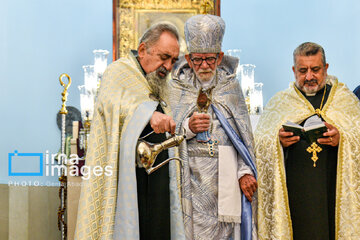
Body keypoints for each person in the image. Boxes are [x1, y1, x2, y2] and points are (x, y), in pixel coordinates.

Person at [74, 23, 185, 240]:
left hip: (160, 179)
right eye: (164, 57)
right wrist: (147, 114)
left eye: (173, 60)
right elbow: (113, 103)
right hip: (129, 181)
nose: (168, 66)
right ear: (143, 50)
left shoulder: (163, 85)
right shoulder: (118, 72)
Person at [254, 42, 360, 240]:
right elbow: (259, 142)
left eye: (315, 69)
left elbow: (358, 135)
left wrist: (342, 139)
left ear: (326, 68)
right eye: (303, 71)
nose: (309, 76)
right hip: (295, 197)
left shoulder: (345, 100)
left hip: (332, 194)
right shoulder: (280, 102)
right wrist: (277, 142)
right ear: (294, 71)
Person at [169, 15, 258, 240]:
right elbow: (167, 133)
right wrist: (188, 127)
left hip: (224, 176)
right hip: (188, 176)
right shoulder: (176, 87)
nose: (204, 65)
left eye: (210, 59)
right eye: (198, 59)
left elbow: (242, 137)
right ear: (188, 59)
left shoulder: (231, 87)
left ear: (220, 57)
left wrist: (244, 171)